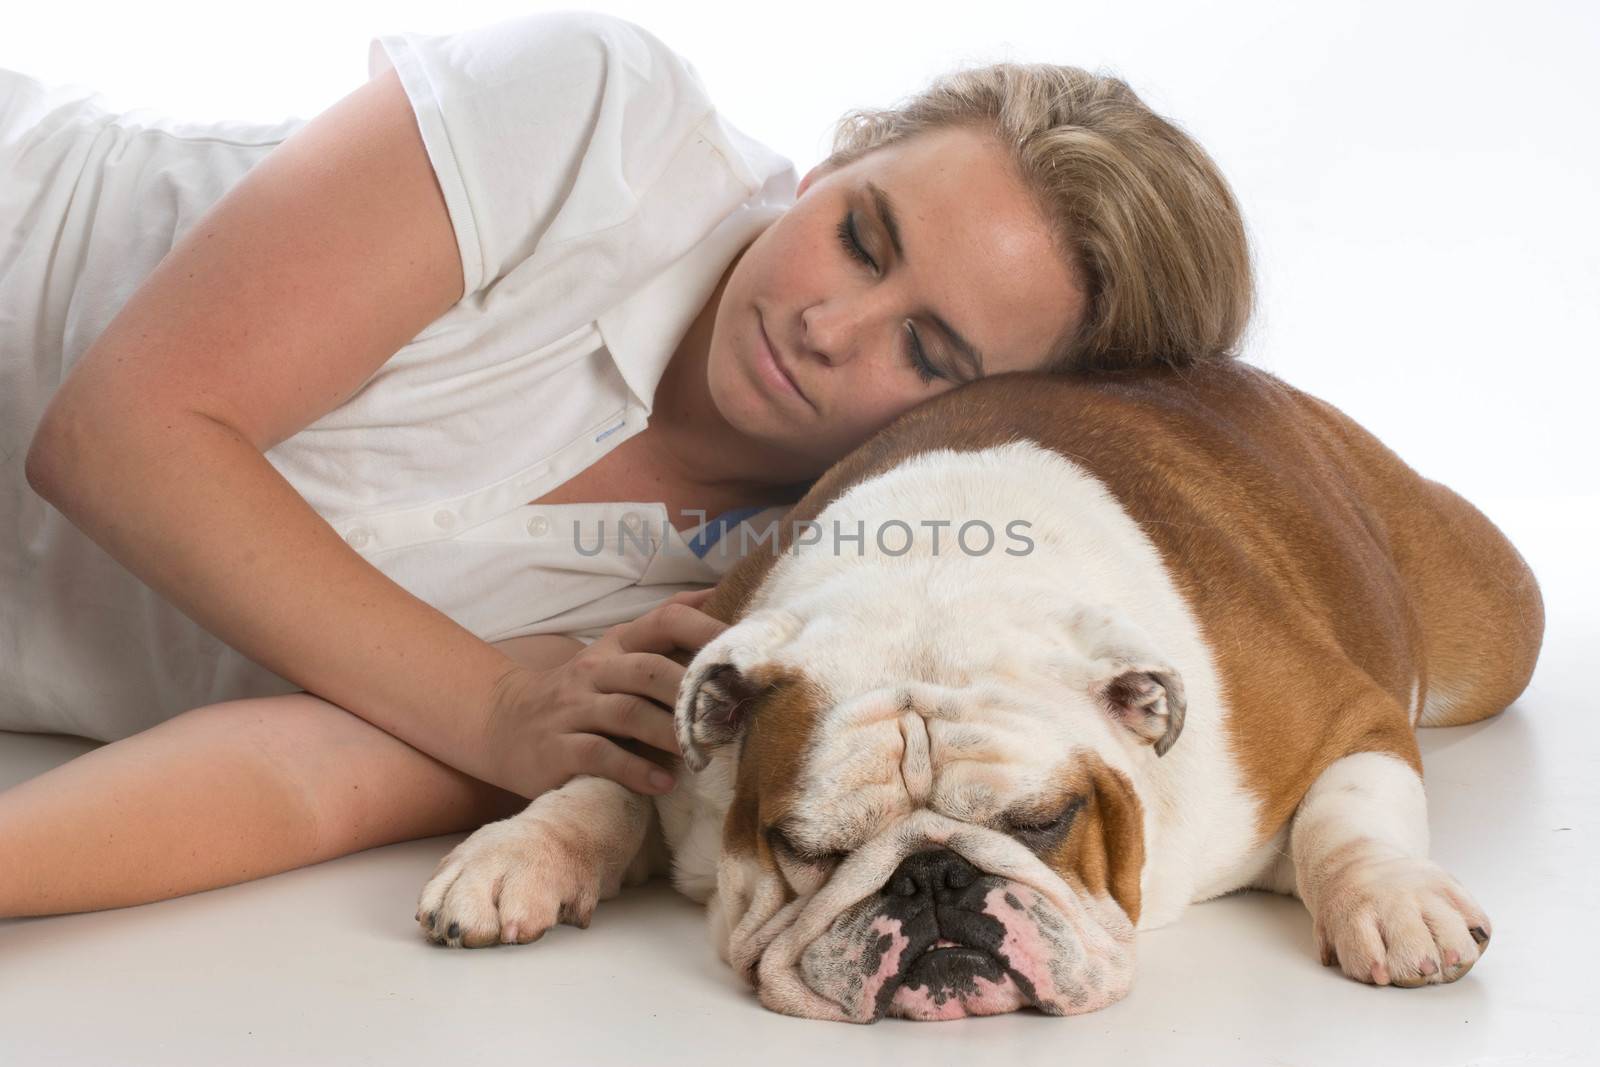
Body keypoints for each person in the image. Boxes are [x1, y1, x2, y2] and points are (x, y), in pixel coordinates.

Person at [0, 11, 1255, 917]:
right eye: (860, 237)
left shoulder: (745, 632)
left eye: (925, 352)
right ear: (827, 167)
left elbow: (304, 774)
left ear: (983, 421)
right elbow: (121, 433)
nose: (829, 325)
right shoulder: (600, 122)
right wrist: (494, 705)